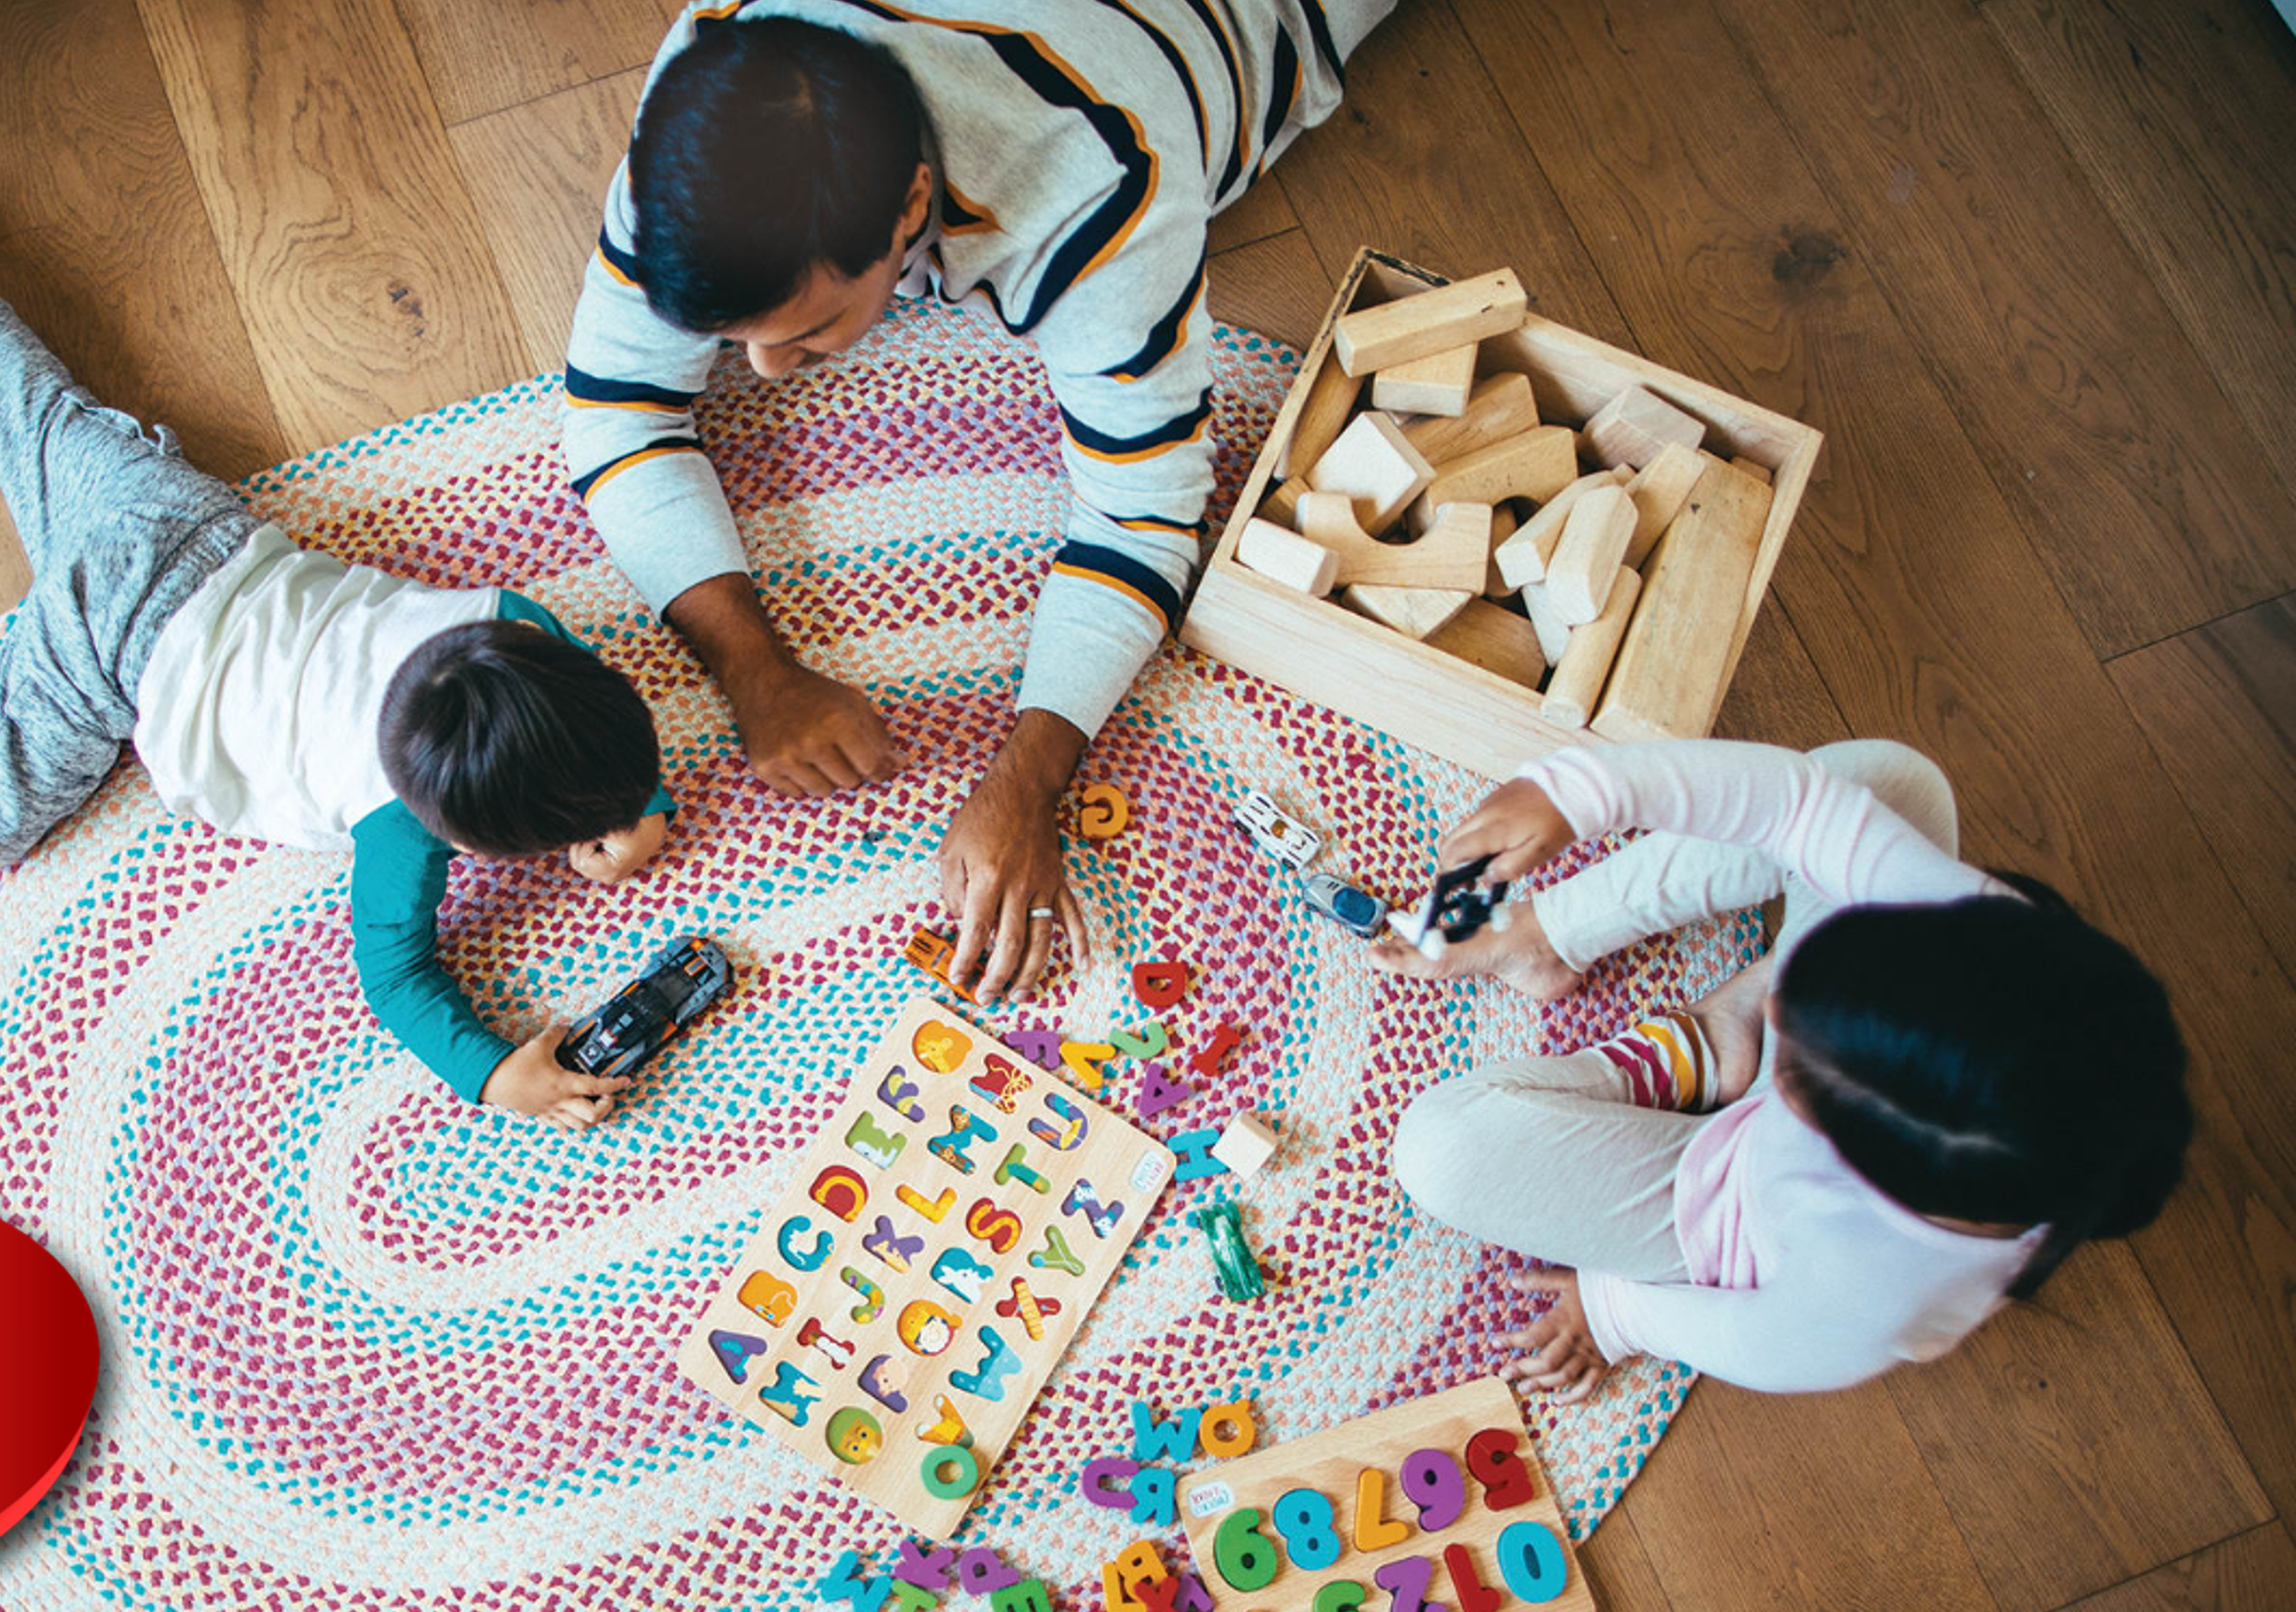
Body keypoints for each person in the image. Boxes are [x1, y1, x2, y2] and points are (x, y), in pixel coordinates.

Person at [0, 195, 674, 1130]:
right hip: (107, 648)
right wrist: (493, 1071)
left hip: (183, 525)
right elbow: (397, 975)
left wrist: (642, 797)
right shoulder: (397, 821)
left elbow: (580, 690)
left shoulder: (517, 621)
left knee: (32, 403)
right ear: (459, 829)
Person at [565, 1, 1394, 1005]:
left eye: (811, 327)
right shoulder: (715, 68)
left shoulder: (1105, 193)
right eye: (736, 336)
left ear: (914, 203)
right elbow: (616, 409)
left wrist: (1028, 777)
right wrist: (753, 671)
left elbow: (1147, 513)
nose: (766, 372)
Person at [1373, 738, 2192, 1397]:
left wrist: (1613, 1309)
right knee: (1889, 779)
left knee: (1441, 1150)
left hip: (1722, 1205)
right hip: (1870, 1077)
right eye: (1785, 1001)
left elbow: (1748, 1343)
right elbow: (1798, 802)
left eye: (1790, 1054)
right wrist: (1579, 793)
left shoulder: (1868, 1292)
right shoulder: (1979, 935)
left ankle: (1688, 1049)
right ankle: (1547, 940)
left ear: (1854, 1157)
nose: (1778, 1013)